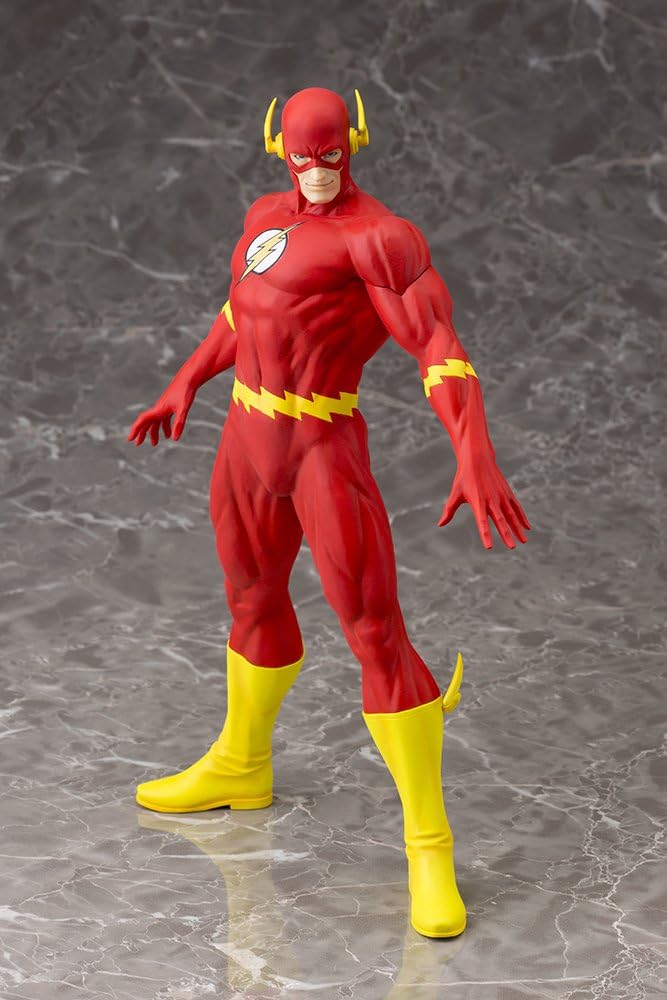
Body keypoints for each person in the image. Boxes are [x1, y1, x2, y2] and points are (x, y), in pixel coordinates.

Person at [128, 87, 531, 938]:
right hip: (245, 436)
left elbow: (437, 346)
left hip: (321, 444)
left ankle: (428, 846)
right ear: (278, 147)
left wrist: (474, 450)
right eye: (303, 159)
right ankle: (242, 764)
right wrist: (185, 380)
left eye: (331, 158)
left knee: (374, 631)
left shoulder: (377, 238)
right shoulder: (263, 217)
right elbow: (243, 310)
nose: (316, 174)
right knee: (250, 600)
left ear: (355, 142)